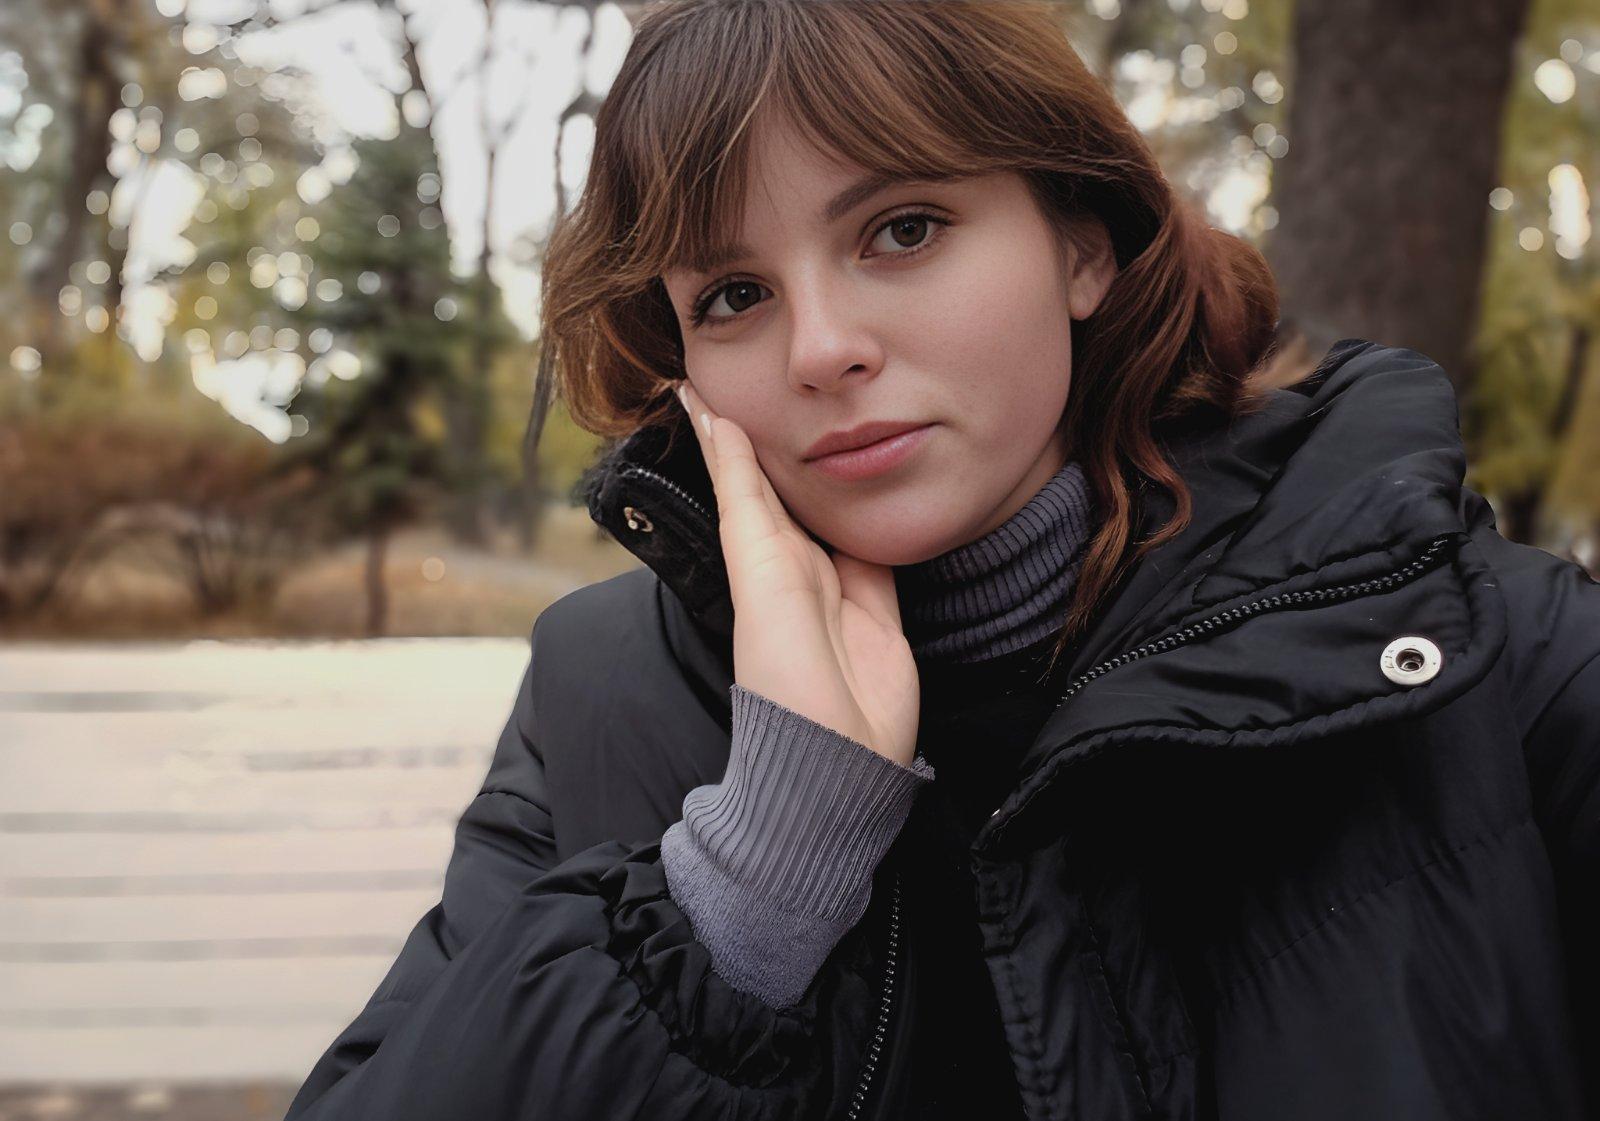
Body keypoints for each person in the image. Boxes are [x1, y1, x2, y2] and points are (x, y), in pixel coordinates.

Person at [282, 1, 1600, 1118]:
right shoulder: (602, 697)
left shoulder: (1492, 661)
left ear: (1081, 244)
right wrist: (744, 887)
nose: (822, 348)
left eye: (903, 228)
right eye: (733, 295)